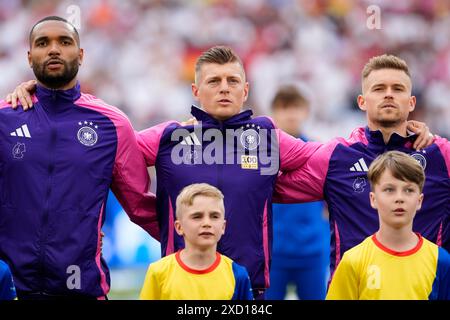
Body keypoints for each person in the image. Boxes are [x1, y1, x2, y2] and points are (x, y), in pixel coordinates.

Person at [6, 47, 433, 300]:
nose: (224, 87)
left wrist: (396, 133)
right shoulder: (168, 136)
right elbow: (99, 152)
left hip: (251, 289)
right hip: (179, 284)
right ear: (196, 91)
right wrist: (46, 98)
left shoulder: (269, 137)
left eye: (233, 80)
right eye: (214, 81)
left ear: (246, 90)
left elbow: (334, 159)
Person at [0, 16, 158, 299]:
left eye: (64, 42)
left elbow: (141, 206)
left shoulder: (112, 124)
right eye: (42, 43)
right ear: (29, 56)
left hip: (81, 289)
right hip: (10, 289)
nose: (53, 49)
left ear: (81, 55)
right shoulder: (4, 118)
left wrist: (201, 248)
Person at [274, 54, 450, 278]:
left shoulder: (441, 156)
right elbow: (265, 184)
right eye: (378, 88)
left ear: (411, 102)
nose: (388, 94)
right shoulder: (337, 156)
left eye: (397, 88)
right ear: (361, 101)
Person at [326, 151, 450, 300]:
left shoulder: (440, 261)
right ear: (373, 199)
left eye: (409, 190)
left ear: (419, 200)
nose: (399, 198)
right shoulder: (353, 261)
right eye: (389, 190)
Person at [266, 85, 329, 300]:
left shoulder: (318, 153)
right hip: (273, 254)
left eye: (296, 107)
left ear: (306, 111)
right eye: (284, 108)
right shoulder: (262, 155)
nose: (290, 114)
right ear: (274, 113)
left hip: (312, 251)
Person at [140, 183, 253, 300]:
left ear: (223, 226)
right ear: (179, 227)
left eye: (214, 216)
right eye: (197, 216)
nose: (207, 223)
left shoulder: (237, 274)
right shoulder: (158, 272)